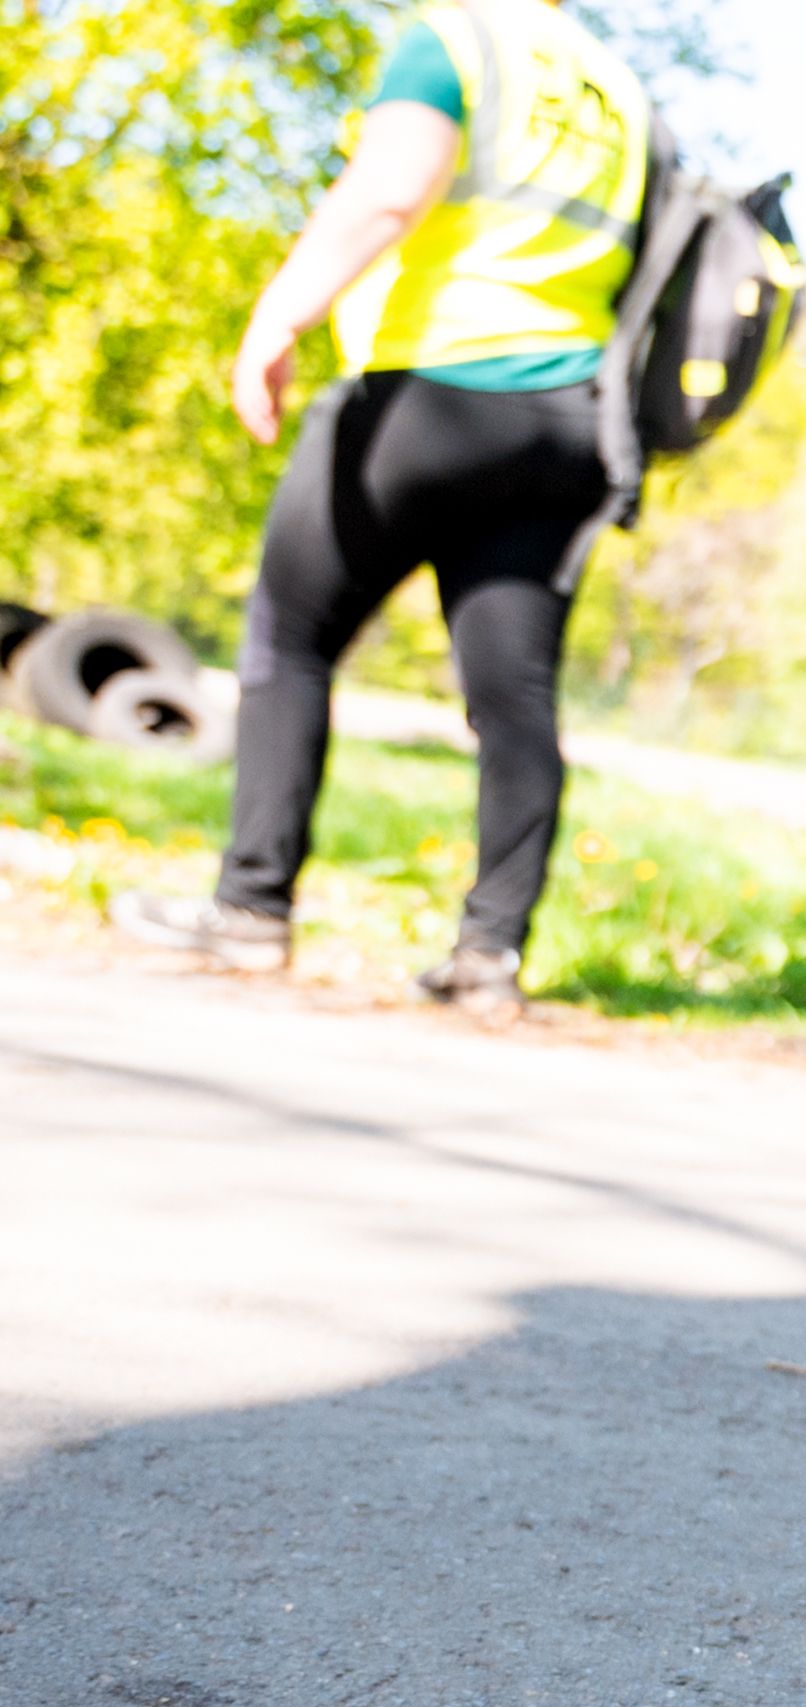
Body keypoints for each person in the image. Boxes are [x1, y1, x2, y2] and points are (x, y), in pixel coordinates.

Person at [115, 0, 651, 1018]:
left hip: (436, 390)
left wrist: (278, 315)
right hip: (572, 420)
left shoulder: (453, 40)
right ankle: (490, 954)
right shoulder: (611, 84)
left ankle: (251, 908)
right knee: (513, 694)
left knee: (292, 629)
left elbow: (389, 191)